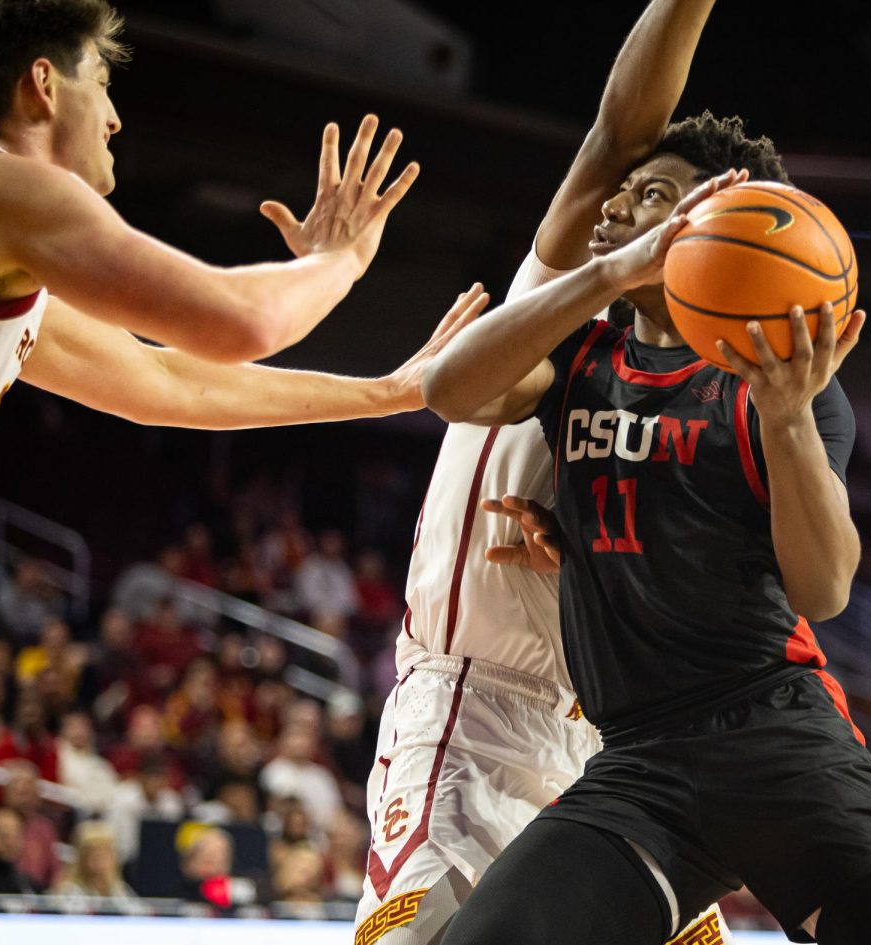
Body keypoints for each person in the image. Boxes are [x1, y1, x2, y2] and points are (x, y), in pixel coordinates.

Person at [422, 11, 871, 945]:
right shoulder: (581, 355)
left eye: (647, 196)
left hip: (776, 741)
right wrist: (609, 272)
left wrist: (789, 418)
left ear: (710, 232)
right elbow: (451, 388)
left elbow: (825, 587)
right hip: (637, 765)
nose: (612, 208)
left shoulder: (776, 388)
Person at [0, 1, 481, 937]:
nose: (113, 118)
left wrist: (387, 392)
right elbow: (231, 322)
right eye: (102, 85)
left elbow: (163, 380)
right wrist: (339, 264)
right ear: (42, 83)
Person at [355, 4, 731, 945]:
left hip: (611, 744)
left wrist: (595, 572)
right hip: (472, 717)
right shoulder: (560, 318)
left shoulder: (720, 404)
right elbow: (615, 135)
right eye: (624, 193)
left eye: (649, 197)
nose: (612, 206)